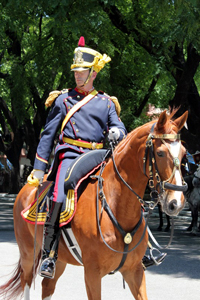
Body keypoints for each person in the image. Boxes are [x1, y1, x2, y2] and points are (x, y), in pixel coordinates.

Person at [28, 36, 166, 279]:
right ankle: (50, 254)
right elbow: (48, 135)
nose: (77, 76)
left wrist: (117, 131)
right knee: (60, 193)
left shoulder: (106, 102)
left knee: (128, 191)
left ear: (93, 73)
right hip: (70, 155)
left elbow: (120, 129)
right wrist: (39, 167)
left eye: (82, 72)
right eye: (76, 72)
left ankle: (143, 248)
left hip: (99, 156)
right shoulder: (63, 99)